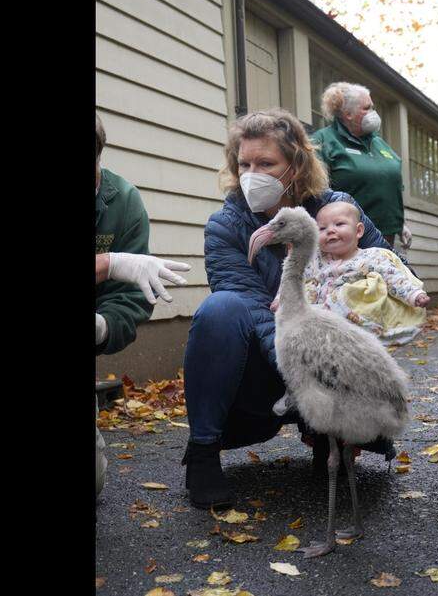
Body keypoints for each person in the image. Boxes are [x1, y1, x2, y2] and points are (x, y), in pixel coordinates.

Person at [181, 108, 398, 509]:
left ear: (295, 165)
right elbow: (253, 307)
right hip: (269, 363)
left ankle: (332, 436)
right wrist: (300, 375)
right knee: (220, 309)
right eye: (244, 163)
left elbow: (390, 271)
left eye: (266, 163)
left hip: (334, 357)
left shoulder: (337, 212)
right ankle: (202, 451)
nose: (252, 174)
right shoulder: (226, 226)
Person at [94, 114, 191, 497]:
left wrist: (102, 325)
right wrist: (108, 263)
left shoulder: (123, 200)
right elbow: (114, 270)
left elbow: (129, 300)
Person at [271, 201, 429, 417]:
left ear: (359, 231)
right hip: (317, 328)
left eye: (339, 224)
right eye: (323, 228)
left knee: (350, 370)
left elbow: (394, 276)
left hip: (351, 327)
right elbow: (292, 277)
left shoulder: (370, 257)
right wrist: (280, 299)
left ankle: (368, 401)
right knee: (301, 360)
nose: (331, 231)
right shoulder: (313, 261)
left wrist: (414, 294)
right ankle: (294, 392)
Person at [311, 82, 413, 253]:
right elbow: (316, 192)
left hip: (387, 236)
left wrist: (400, 223)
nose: (373, 113)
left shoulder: (378, 143)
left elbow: (391, 185)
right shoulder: (323, 142)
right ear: (348, 114)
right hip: (350, 239)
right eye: (367, 108)